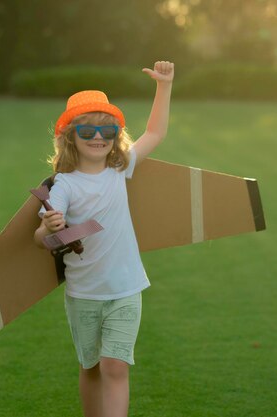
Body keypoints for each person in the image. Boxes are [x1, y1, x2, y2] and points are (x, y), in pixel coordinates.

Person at [34, 61, 174, 417]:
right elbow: (40, 237)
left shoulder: (120, 167)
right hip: (84, 294)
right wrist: (50, 226)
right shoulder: (64, 185)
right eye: (87, 130)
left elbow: (155, 133)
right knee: (91, 367)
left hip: (126, 289)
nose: (98, 137)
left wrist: (164, 85)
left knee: (115, 366)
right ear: (70, 136)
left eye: (108, 130)